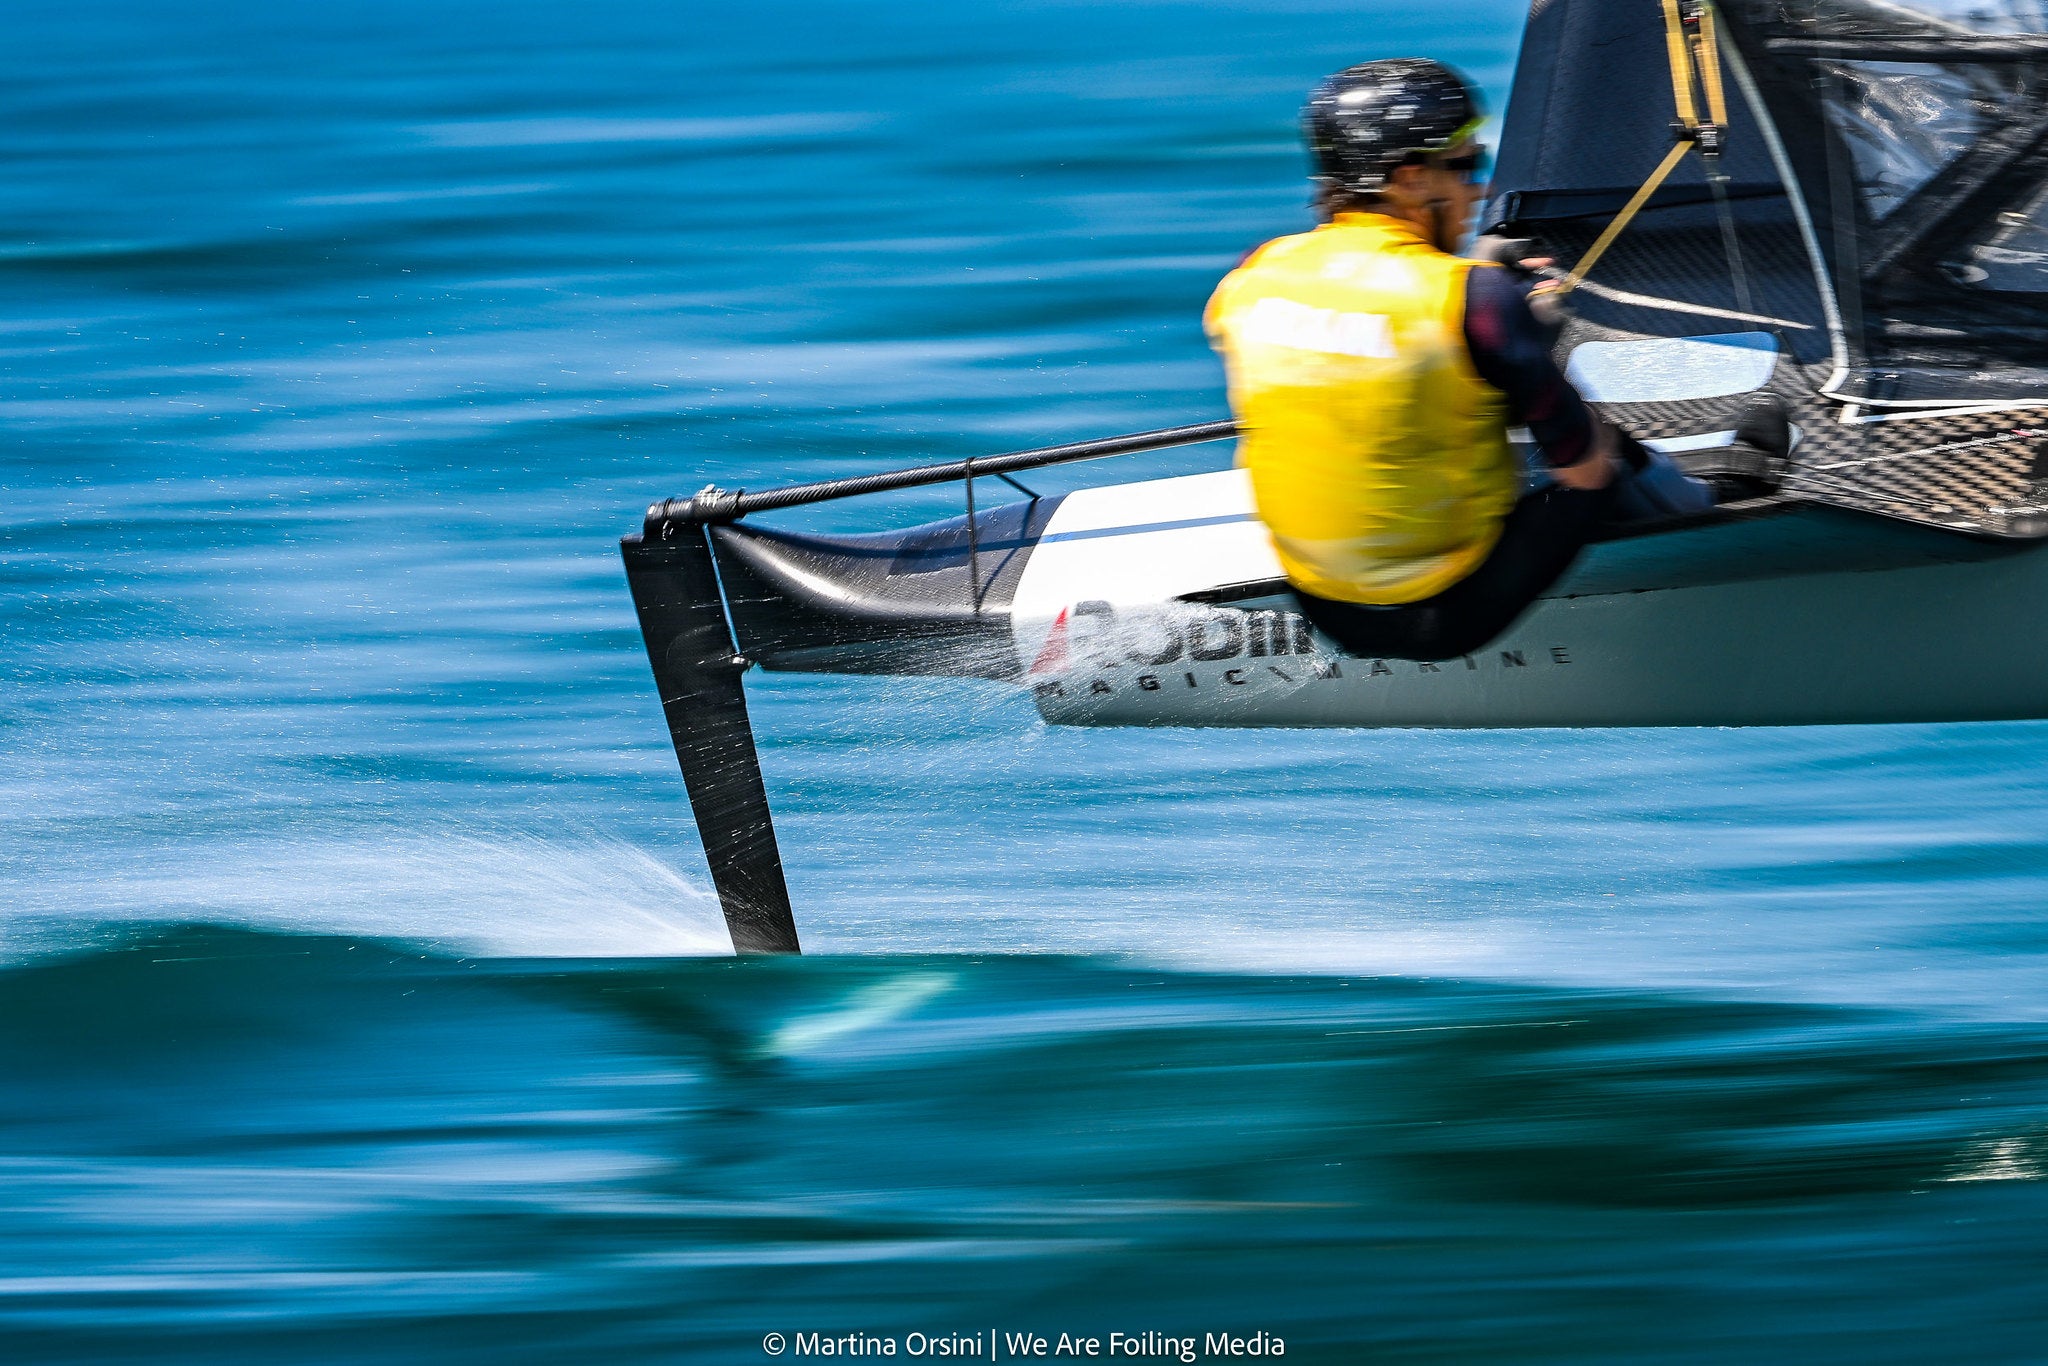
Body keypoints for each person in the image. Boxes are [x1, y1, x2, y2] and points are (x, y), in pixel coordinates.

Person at [1204, 58, 1786, 662]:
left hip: (1320, 599)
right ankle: (1718, 498)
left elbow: (1357, 342)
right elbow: (1582, 470)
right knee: (1601, 452)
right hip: (1442, 615)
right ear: (1408, 179)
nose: (1478, 187)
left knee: (1434, 402)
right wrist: (1519, 330)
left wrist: (1481, 300)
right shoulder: (1471, 297)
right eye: (1462, 165)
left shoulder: (1255, 272)